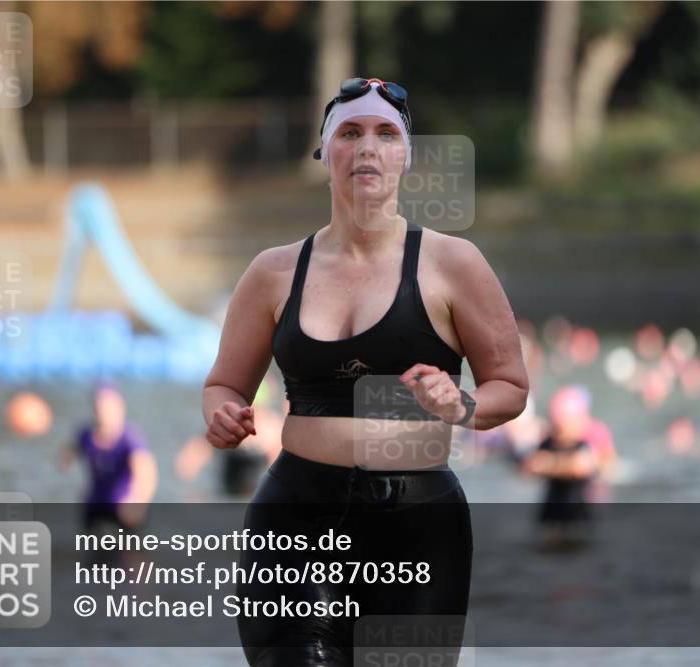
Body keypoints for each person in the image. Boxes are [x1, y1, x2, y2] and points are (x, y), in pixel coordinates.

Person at [201, 77, 528, 666]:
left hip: (416, 524)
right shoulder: (273, 272)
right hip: (295, 519)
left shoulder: (453, 263)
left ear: (406, 155)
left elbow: (512, 387)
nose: (367, 147)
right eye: (349, 133)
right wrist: (221, 412)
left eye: (385, 133)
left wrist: (462, 405)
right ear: (325, 153)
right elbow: (224, 383)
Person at [59, 380, 158, 532]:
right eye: (100, 406)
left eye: (109, 406)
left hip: (124, 507)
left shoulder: (130, 439)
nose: (104, 411)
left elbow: (146, 474)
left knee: (129, 553)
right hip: (95, 505)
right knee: (91, 550)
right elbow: (66, 458)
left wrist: (137, 501)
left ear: (120, 407)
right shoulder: (85, 435)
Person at [522, 386, 598, 548]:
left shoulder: (582, 445)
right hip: (551, 514)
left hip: (577, 515)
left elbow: (582, 467)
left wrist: (551, 464)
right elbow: (530, 466)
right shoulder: (547, 443)